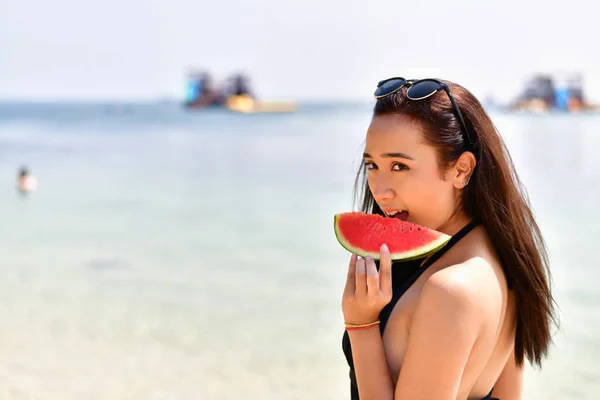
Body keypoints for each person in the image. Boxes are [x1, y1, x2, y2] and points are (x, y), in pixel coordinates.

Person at [341, 77, 556, 399]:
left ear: (461, 170)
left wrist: (361, 325)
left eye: (399, 166)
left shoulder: (450, 289)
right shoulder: (508, 260)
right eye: (372, 165)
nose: (380, 191)